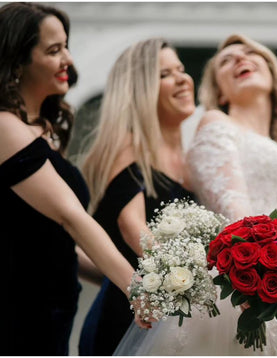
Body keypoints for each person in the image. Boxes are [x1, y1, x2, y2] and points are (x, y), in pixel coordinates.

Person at [115, 33, 277, 355]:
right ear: (218, 90)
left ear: (272, 72)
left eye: (252, 53)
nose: (240, 59)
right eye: (226, 61)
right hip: (254, 273)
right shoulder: (216, 123)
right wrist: (265, 272)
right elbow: (233, 208)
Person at [0, 3, 145, 355]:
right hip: (12, 303)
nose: (68, 58)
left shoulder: (45, 130)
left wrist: (114, 279)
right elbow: (72, 218)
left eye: (66, 46)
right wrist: (138, 290)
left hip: (53, 304)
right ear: (18, 60)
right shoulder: (0, 125)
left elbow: (53, 239)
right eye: (54, 50)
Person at [78, 38, 196, 356]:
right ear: (140, 89)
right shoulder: (129, 146)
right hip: (129, 318)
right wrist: (190, 280)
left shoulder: (193, 159)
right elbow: (133, 227)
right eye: (165, 74)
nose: (183, 79)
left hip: (181, 320)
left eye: (181, 70)